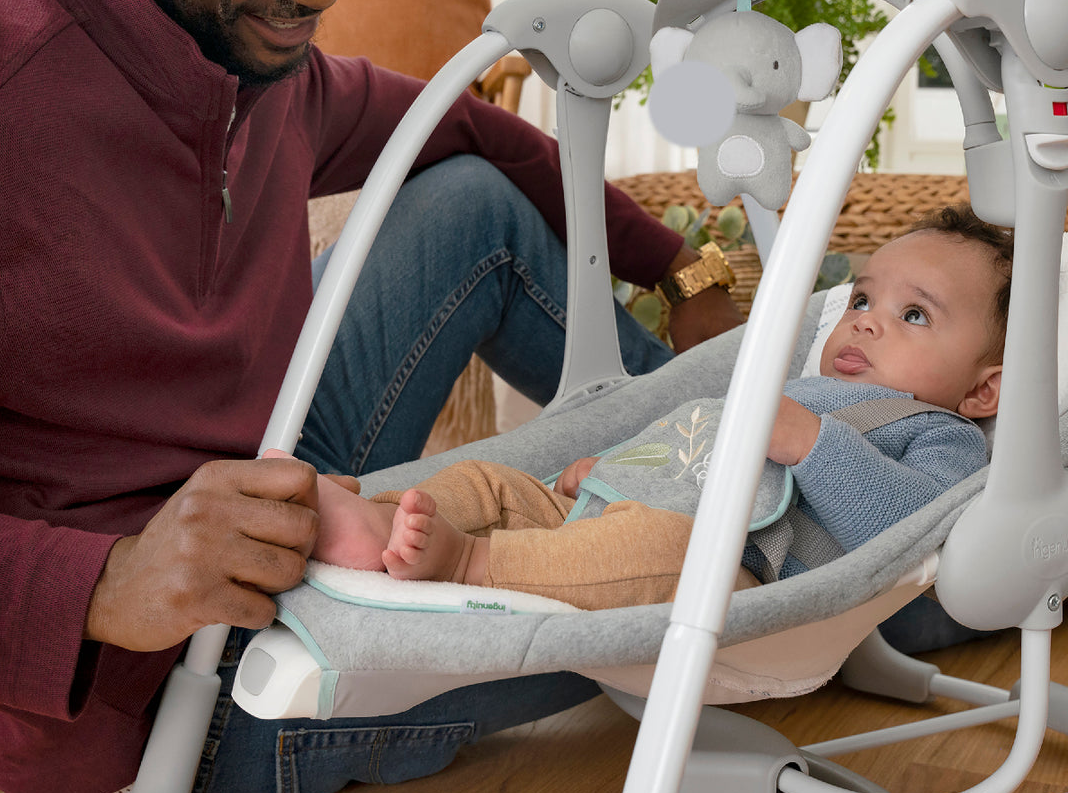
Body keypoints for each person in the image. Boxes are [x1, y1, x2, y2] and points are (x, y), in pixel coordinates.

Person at [0, 0, 744, 793]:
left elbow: (469, 126)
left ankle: (745, 450)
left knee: (467, 200)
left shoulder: (254, 66)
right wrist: (106, 581)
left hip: (280, 492)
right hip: (151, 694)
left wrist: (680, 266)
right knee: (720, 613)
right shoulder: (6, 84)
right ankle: (846, 542)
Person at [312, 206, 1011, 610]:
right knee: (491, 481)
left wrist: (812, 445)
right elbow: (690, 436)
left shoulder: (943, 436)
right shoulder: (798, 388)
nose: (864, 321)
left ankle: (464, 564)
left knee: (661, 555)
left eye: (914, 314)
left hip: (732, 565)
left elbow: (909, 533)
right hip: (618, 503)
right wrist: (615, 466)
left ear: (984, 390)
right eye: (861, 299)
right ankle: (385, 516)